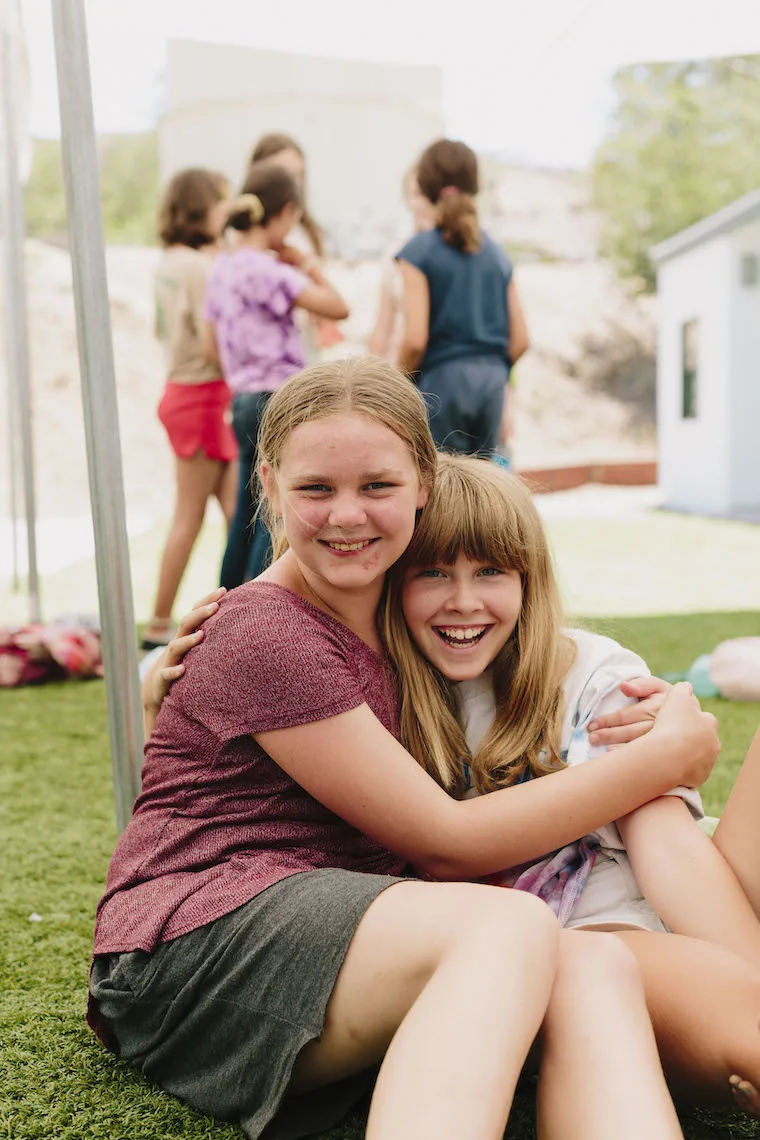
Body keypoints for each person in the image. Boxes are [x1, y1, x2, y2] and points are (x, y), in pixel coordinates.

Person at [87, 358, 716, 1140]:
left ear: (425, 481)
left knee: (587, 963)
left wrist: (644, 705)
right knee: (506, 924)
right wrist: (663, 759)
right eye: (316, 489)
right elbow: (447, 845)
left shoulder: (396, 595)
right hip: (195, 945)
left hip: (344, 931)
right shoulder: (269, 629)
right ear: (269, 483)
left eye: (376, 487)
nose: (347, 516)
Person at [378, 453, 760, 1111]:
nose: (463, 601)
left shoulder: (586, 668)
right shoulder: (374, 700)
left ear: (529, 579)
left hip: (691, 903)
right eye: (432, 572)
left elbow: (665, 840)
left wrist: (746, 964)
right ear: (391, 583)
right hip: (593, 946)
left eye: (491, 571)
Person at [204, 162, 348, 588]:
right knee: (276, 509)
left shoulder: (222, 268)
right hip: (278, 397)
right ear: (285, 213)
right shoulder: (269, 271)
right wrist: (306, 263)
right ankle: (267, 599)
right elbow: (338, 307)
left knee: (244, 516)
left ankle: (224, 601)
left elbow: (211, 346)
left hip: (242, 396)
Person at [141, 168, 238, 651]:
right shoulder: (200, 268)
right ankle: (159, 621)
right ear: (204, 209)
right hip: (202, 393)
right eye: (223, 202)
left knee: (238, 511)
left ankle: (245, 609)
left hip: (186, 389)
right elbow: (210, 340)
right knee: (190, 516)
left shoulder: (168, 262)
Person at [396, 138, 529, 455]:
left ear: (425, 186)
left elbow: (414, 340)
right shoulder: (497, 255)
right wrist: (493, 370)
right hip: (492, 382)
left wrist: (396, 388)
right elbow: (521, 339)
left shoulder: (417, 253)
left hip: (442, 384)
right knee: (481, 487)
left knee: (442, 488)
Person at [249, 132, 343, 355]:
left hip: (305, 349)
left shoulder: (307, 232)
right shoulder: (243, 244)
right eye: (284, 173)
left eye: (299, 174)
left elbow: (332, 306)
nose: (294, 182)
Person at [368, 166, 435, 363]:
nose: (422, 202)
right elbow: (382, 327)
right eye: (415, 194)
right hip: (399, 369)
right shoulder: (396, 253)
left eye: (427, 193)